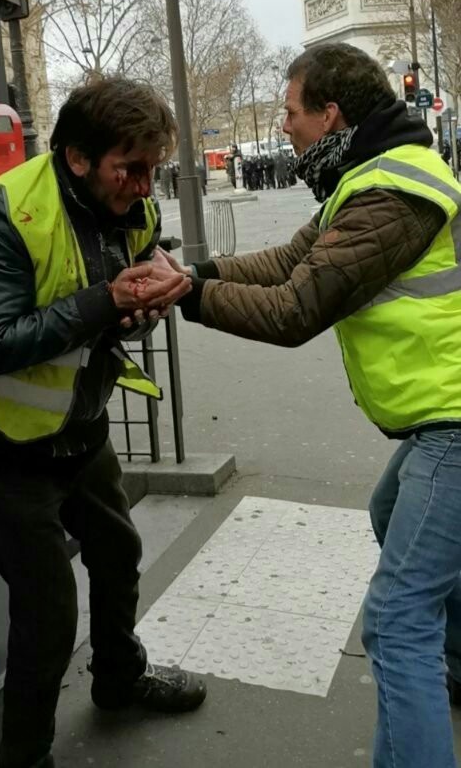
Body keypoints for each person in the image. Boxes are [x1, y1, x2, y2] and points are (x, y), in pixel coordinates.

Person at [168, 43, 461, 768]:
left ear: (332, 115)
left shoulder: (392, 195)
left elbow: (298, 306)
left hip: (454, 427)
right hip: (440, 419)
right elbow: (287, 261)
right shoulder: (366, 178)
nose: (286, 125)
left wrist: (191, 298)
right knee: (390, 512)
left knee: (394, 625)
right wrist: (195, 275)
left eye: (292, 112)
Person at [0, 76, 205, 768]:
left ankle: (118, 677)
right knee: (50, 614)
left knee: (118, 554)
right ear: (79, 157)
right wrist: (105, 301)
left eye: (152, 169)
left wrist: (145, 304)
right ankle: (24, 758)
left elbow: (118, 306)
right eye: (130, 168)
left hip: (80, 430)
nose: (145, 187)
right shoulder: (5, 212)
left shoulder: (133, 210)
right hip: (2, 447)